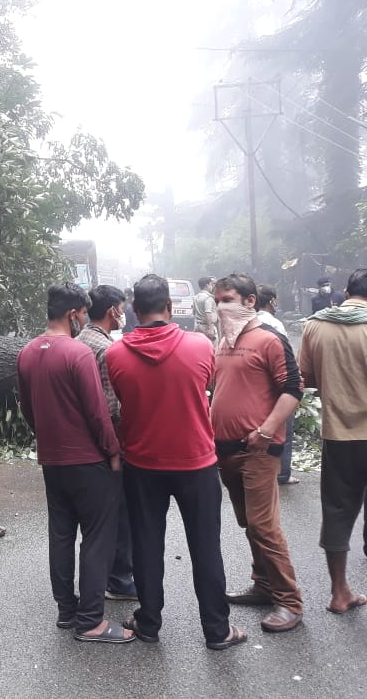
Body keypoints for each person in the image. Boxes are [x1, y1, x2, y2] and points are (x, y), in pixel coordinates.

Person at [105, 274, 246, 650]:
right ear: (169, 308)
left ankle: (149, 623)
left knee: (147, 547)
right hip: (196, 464)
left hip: (142, 465)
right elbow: (208, 385)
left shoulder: (115, 355)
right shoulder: (201, 345)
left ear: (135, 311)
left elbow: (118, 404)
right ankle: (217, 631)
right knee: (205, 547)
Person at [17, 283, 134, 644]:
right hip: (88, 461)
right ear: (73, 315)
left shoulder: (27, 352)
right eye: (83, 314)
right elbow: (98, 413)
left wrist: (49, 437)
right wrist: (113, 451)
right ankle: (92, 621)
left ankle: (67, 611)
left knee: (62, 535)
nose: (85, 319)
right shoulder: (77, 354)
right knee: (98, 538)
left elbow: (27, 410)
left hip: (52, 460)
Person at [211, 273, 304, 633]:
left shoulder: (269, 339)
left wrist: (266, 430)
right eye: (217, 300)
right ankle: (263, 584)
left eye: (229, 299)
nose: (221, 306)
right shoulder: (223, 342)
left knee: (264, 526)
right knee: (249, 522)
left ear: (250, 301)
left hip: (259, 450)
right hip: (226, 450)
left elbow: (293, 389)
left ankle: (290, 602)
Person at [297, 268, 367, 615]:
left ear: (344, 291)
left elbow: (305, 378)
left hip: (338, 434)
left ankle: (339, 592)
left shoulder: (314, 325)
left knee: (338, 511)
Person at [77, 284, 137, 601]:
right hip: (107, 442)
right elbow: (110, 406)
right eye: (123, 307)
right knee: (119, 512)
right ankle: (120, 579)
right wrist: (117, 450)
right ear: (114, 309)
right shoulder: (104, 349)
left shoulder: (81, 340)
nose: (125, 313)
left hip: (84, 442)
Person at [255, 284, 298, 485]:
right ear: (271, 301)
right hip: (276, 385)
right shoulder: (276, 325)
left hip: (257, 389)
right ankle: (282, 473)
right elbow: (286, 359)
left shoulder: (250, 323)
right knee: (283, 428)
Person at [193, 276, 218, 344]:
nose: (213, 286)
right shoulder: (208, 298)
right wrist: (210, 328)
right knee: (213, 348)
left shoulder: (196, 297)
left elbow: (194, 312)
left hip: (198, 326)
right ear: (207, 285)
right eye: (211, 284)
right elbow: (208, 313)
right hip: (206, 327)